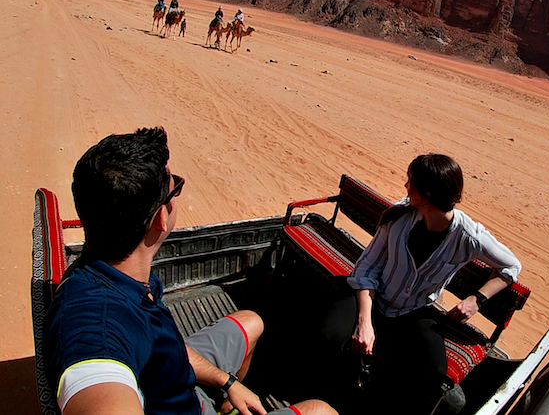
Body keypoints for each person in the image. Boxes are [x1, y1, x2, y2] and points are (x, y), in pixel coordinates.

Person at [44, 127, 336, 415]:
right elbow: (99, 384)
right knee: (320, 410)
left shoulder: (118, 271)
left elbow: (164, 346)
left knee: (251, 322)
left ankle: (223, 400)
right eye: (176, 188)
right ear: (161, 216)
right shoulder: (98, 330)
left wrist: (228, 381)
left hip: (176, 377)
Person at [320, 154, 521, 415]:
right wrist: (364, 322)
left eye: (410, 181)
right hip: (372, 299)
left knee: (433, 373)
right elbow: (366, 268)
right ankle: (322, 401)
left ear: (426, 195)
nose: (405, 186)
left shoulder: (469, 237)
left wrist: (477, 299)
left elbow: (511, 266)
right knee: (330, 335)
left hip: (413, 312)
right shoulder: (400, 216)